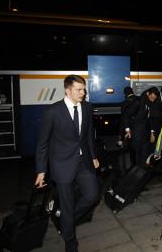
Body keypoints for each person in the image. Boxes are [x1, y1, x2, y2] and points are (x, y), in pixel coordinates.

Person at [35, 75, 100, 252]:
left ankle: (66, 220)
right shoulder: (53, 111)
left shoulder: (86, 107)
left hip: (84, 162)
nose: (83, 93)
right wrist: (41, 170)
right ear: (67, 90)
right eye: (79, 90)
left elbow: (87, 136)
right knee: (67, 203)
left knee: (92, 196)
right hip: (62, 165)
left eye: (84, 89)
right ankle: (71, 245)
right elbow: (43, 143)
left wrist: (93, 156)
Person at [118, 86, 140, 168]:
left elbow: (123, 119)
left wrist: (120, 135)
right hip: (140, 129)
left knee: (130, 150)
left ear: (125, 94)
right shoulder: (140, 99)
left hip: (129, 130)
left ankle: (132, 167)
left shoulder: (124, 103)